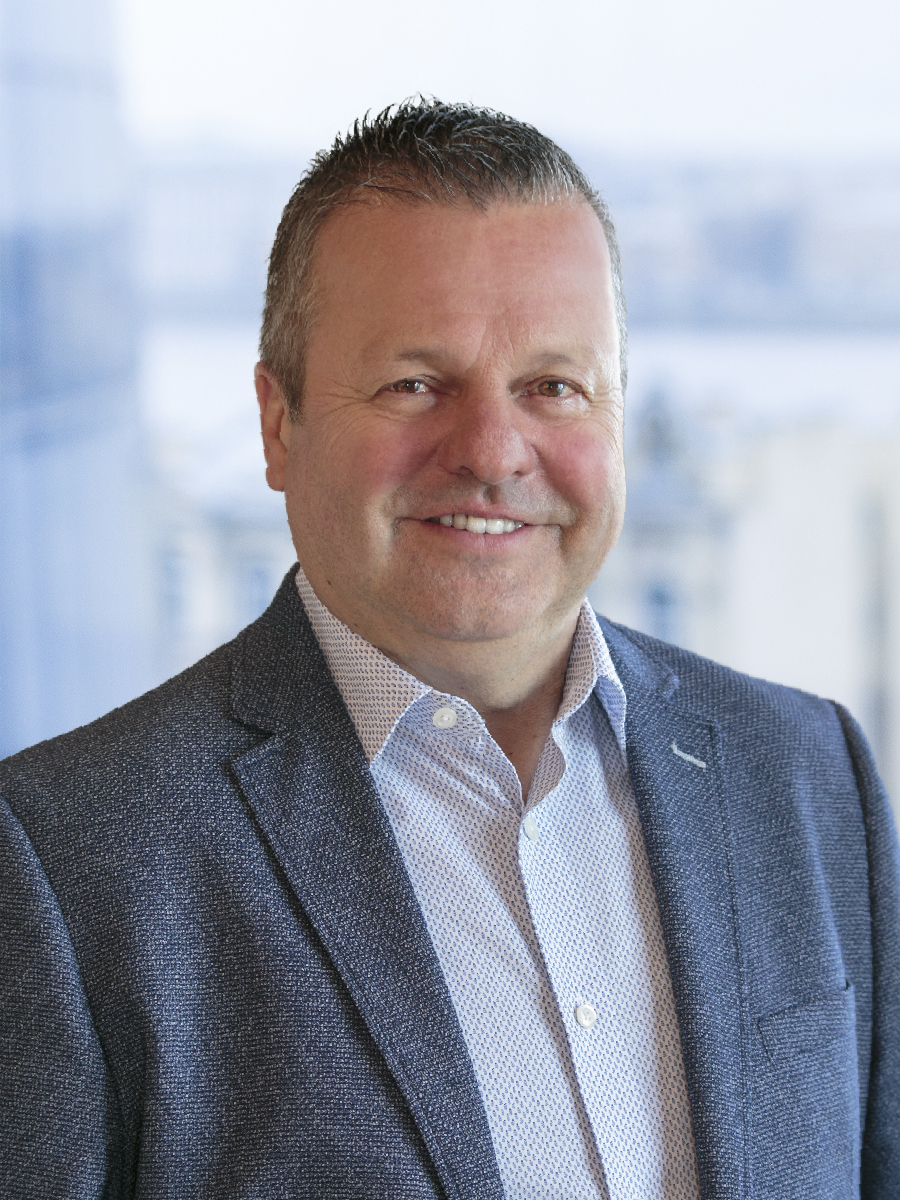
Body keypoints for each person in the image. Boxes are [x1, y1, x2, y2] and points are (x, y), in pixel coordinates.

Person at [1, 100, 898, 1200]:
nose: (490, 452)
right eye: (415, 383)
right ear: (279, 422)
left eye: (554, 386)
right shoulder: (64, 860)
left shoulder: (808, 772)